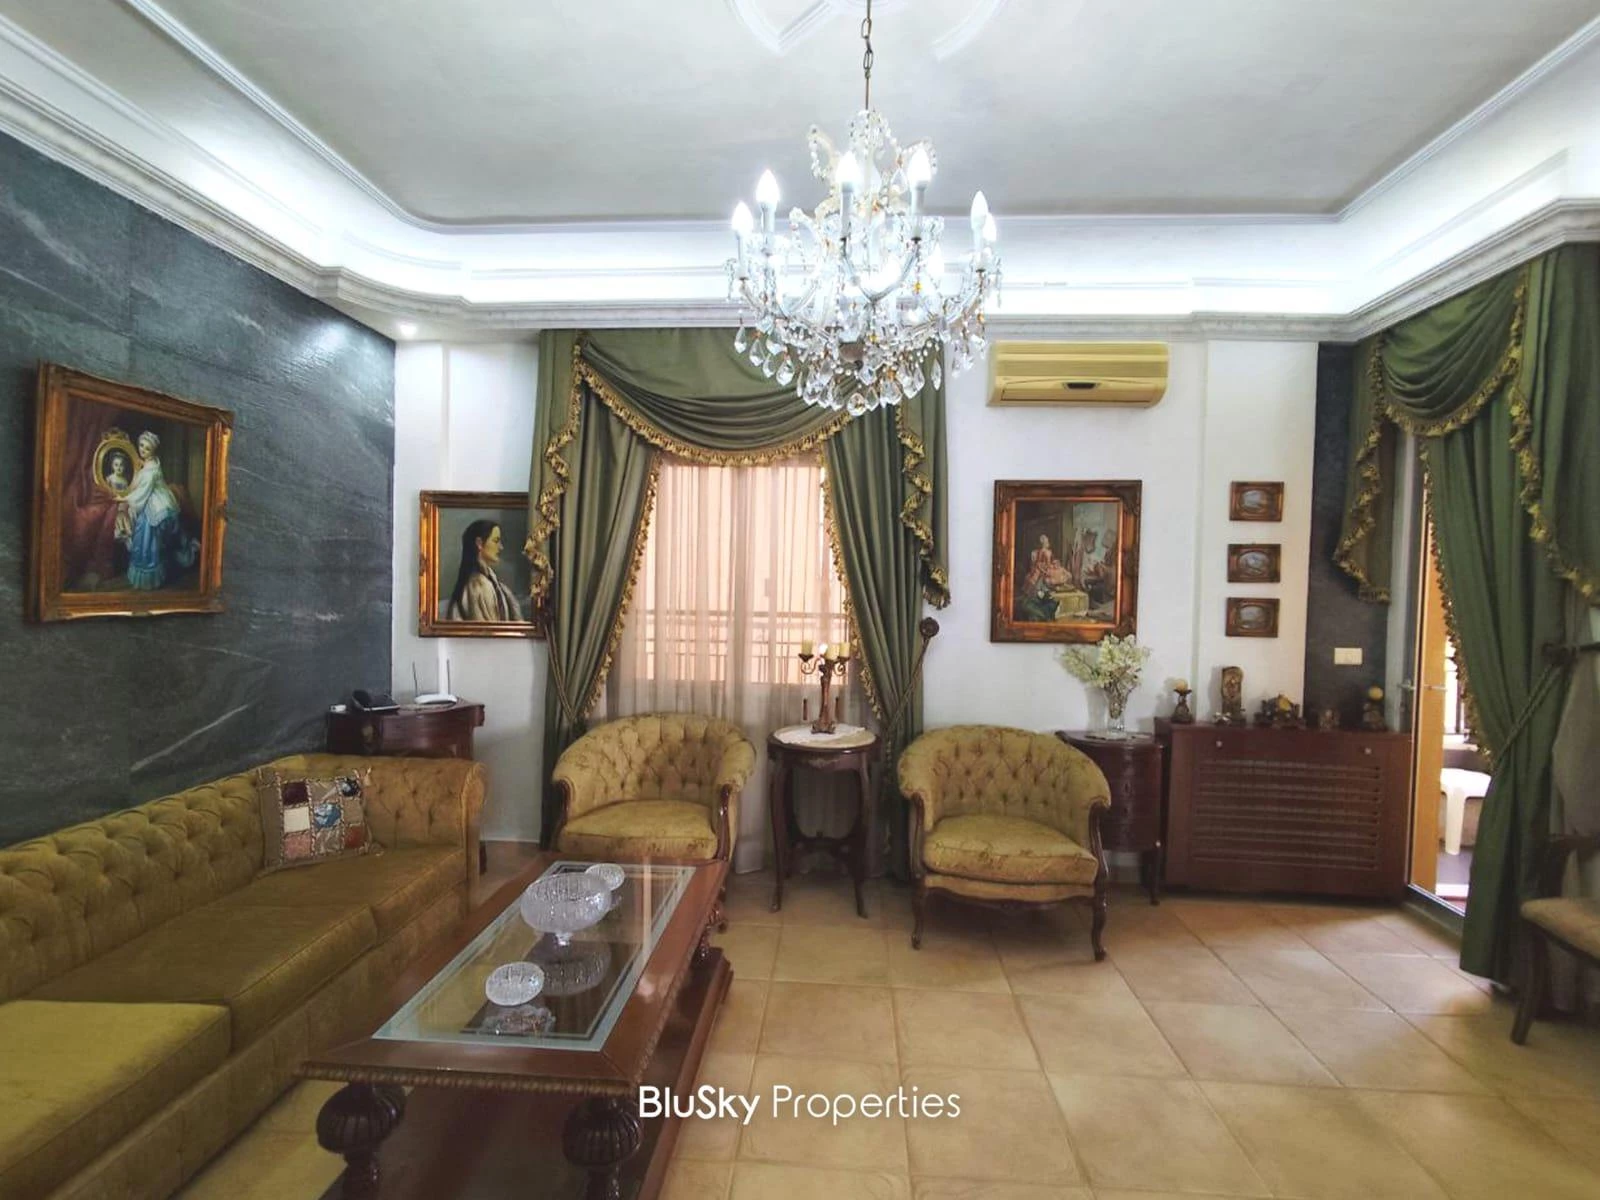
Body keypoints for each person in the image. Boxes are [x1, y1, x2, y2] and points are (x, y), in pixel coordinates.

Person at [121, 431, 196, 589]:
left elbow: (142, 493)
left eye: (147, 448)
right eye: (141, 445)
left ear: (153, 451)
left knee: (147, 539)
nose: (142, 450)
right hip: (154, 501)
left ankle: (150, 577)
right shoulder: (151, 462)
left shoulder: (151, 471)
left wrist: (124, 499)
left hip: (156, 505)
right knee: (144, 538)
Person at [447, 519, 523, 621]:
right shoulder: (478, 585)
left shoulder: (490, 582)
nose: (501, 547)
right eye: (496, 541)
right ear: (479, 543)